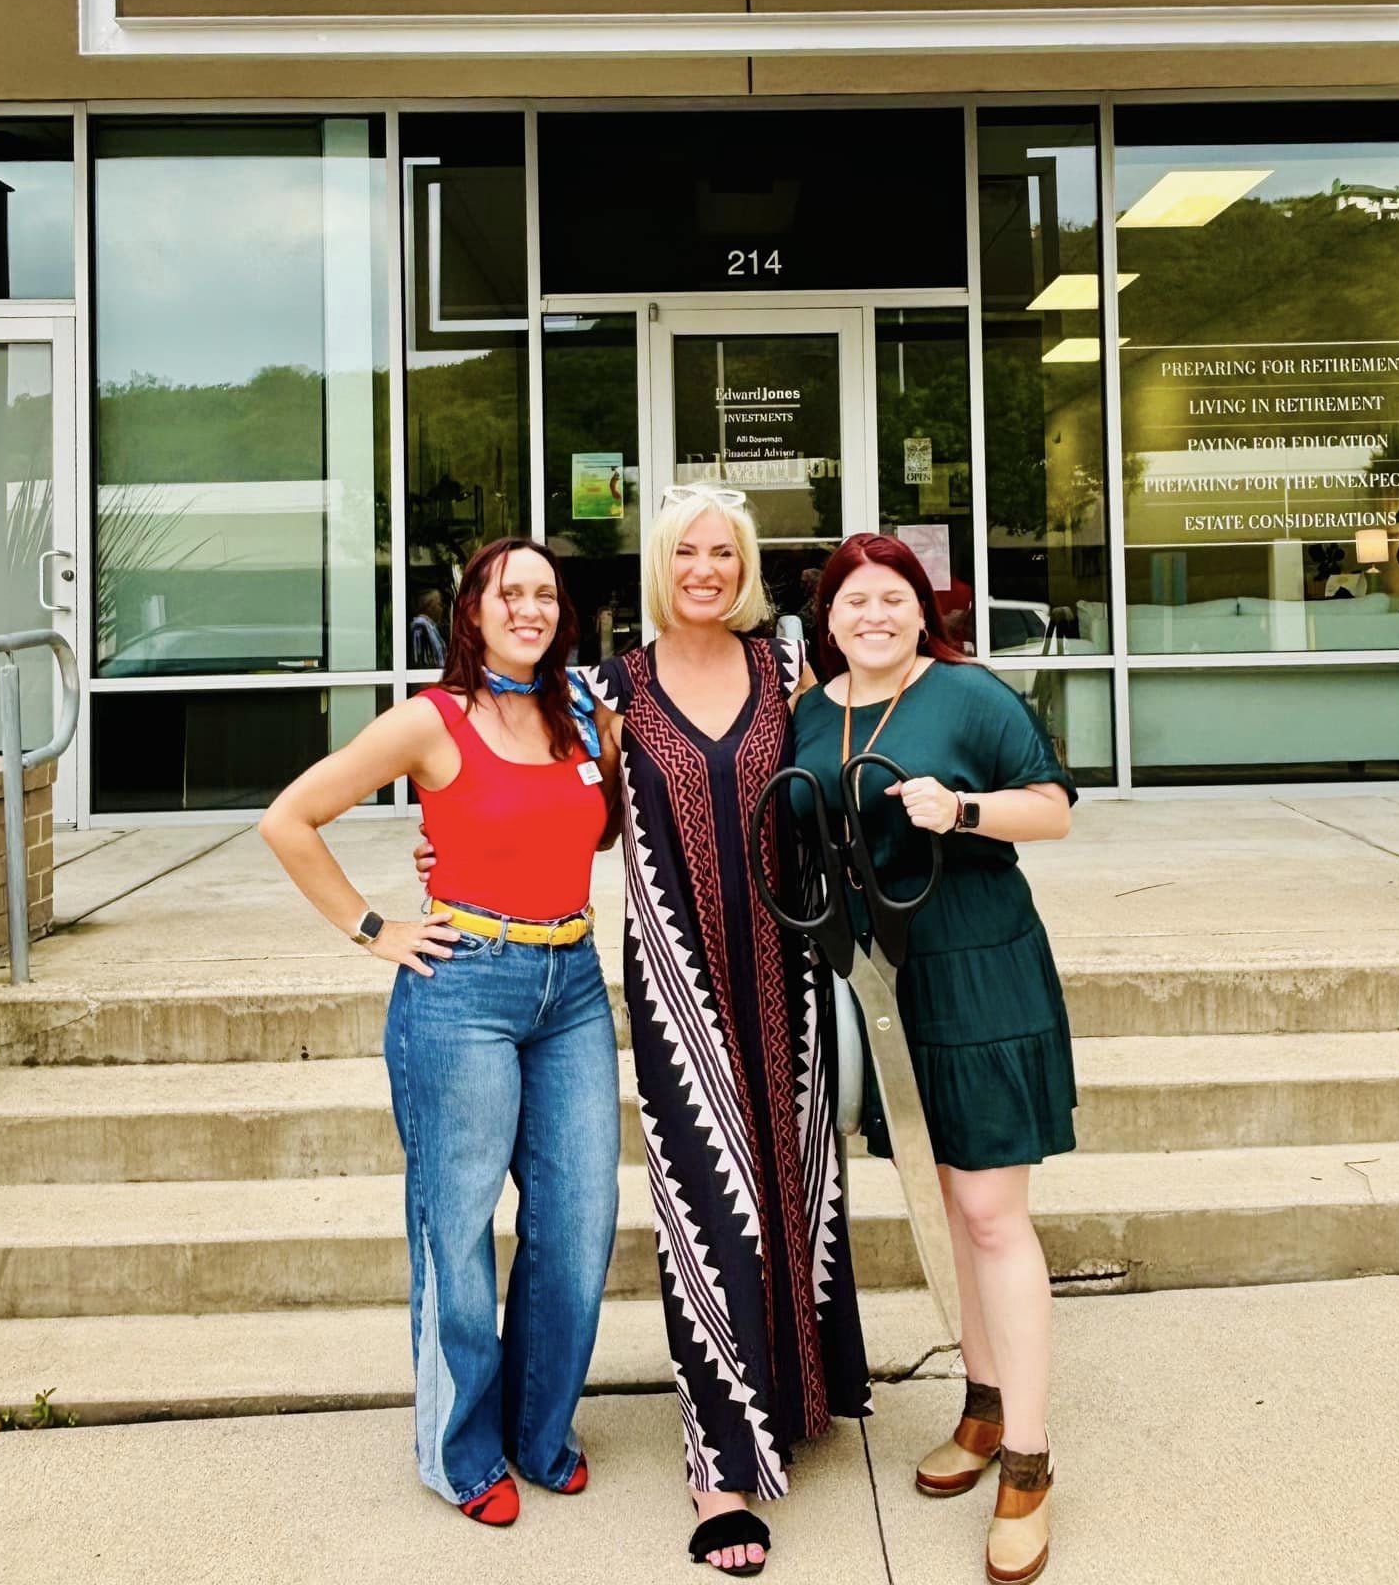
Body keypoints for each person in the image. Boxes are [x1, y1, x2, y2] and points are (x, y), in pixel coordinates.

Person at [416, 486, 871, 1576]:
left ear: (745, 565)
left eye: (725, 551)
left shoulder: (784, 671)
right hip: (678, 976)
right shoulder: (605, 690)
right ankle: (718, 1469)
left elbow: (833, 787)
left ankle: (795, 1395)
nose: (706, 567)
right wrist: (444, 867)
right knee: (707, 1202)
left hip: (790, 969)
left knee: (796, 1184)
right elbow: (565, 804)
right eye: (687, 551)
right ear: (660, 566)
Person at [260, 538, 620, 1529]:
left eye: (547, 593)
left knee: (580, 1216)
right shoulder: (432, 716)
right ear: (474, 608)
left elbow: (596, 828)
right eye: (513, 592)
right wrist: (376, 927)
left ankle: (539, 1429)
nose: (532, 607)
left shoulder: (584, 710)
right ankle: (461, 1448)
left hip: (574, 984)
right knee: (456, 1226)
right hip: (463, 988)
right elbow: (291, 817)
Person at [791, 531, 1076, 1585]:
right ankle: (984, 1407)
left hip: (981, 966)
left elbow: (1051, 809)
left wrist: (960, 808)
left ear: (922, 609)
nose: (873, 615)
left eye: (892, 598)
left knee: (996, 1213)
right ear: (827, 617)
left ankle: (1032, 1465)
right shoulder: (812, 710)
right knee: (949, 1203)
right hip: (881, 986)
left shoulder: (971, 695)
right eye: (853, 600)